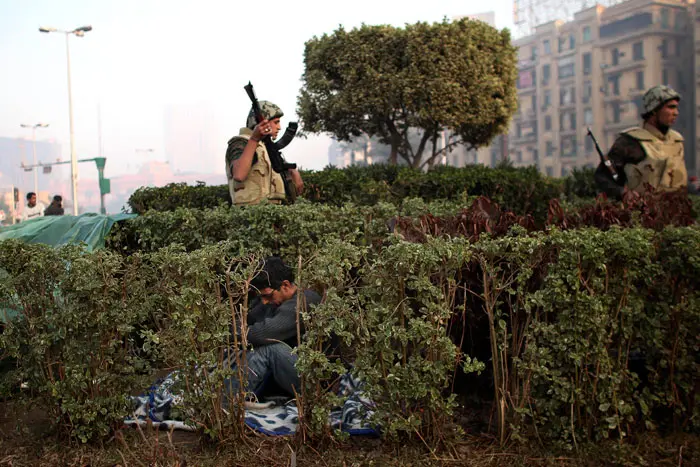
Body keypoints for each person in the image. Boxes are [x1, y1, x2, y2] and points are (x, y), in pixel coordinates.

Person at [226, 256, 322, 398]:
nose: (264, 302)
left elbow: (261, 334)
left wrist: (238, 333)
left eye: (268, 296)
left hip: (317, 381)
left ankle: (225, 405)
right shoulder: (273, 302)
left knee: (269, 349)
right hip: (291, 371)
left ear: (285, 285)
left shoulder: (305, 301)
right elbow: (241, 322)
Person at [594, 85, 687, 200]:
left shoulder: (676, 140)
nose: (676, 113)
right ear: (654, 110)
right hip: (641, 213)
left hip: (677, 213)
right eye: (670, 107)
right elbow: (602, 176)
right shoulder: (630, 141)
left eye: (676, 108)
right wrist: (623, 193)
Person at [225, 101, 304, 206]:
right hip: (251, 214)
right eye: (276, 122)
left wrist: (291, 170)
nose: (279, 127)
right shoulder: (241, 143)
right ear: (262, 123)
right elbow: (239, 174)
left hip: (273, 211)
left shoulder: (265, 146)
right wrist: (254, 139)